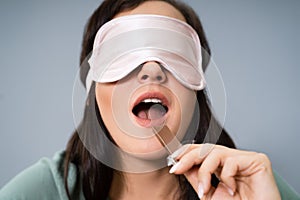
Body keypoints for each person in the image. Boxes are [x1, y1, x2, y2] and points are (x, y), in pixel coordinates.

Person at [1, 0, 299, 199]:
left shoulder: (254, 186)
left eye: (174, 55)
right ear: (93, 93)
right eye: (123, 55)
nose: (152, 70)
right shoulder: (43, 191)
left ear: (196, 91)